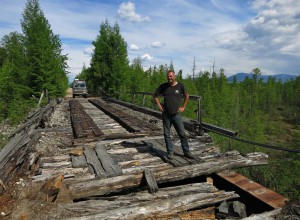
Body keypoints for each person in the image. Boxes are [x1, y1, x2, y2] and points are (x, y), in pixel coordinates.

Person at [153, 70, 194, 160]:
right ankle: (170, 152)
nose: (169, 78)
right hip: (166, 114)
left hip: (176, 114)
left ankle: (187, 152)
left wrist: (183, 107)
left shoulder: (180, 86)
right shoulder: (163, 86)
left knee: (182, 134)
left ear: (174, 76)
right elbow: (155, 95)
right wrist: (159, 105)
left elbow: (187, 95)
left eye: (171, 76)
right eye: (168, 76)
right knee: (167, 134)